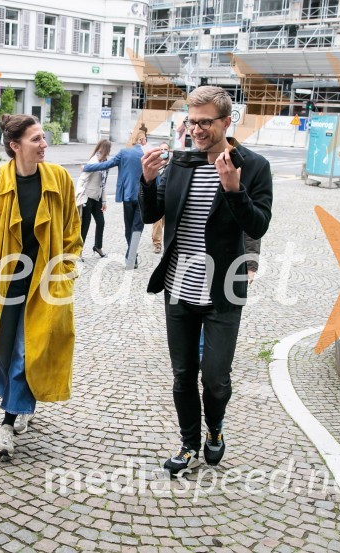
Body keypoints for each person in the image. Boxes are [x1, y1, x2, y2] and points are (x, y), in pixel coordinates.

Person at [139, 86, 273, 476]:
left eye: (204, 123)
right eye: (191, 121)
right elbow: (152, 216)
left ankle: (215, 429)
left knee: (215, 379)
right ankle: (187, 443)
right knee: (183, 374)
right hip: (179, 289)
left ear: (227, 122)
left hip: (224, 290)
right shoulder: (181, 163)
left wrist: (233, 190)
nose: (196, 130)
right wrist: (147, 181)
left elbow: (258, 223)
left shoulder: (253, 166)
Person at [0, 114, 82, 458]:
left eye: (44, 137)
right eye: (36, 139)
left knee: (30, 350)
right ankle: (19, 403)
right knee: (6, 350)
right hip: (4, 285)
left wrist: (67, 267)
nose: (44, 145)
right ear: (15, 146)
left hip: (44, 284)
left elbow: (73, 228)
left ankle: (8, 423)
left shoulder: (58, 178)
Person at [83, 131, 148, 268]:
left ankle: (131, 257)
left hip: (129, 196)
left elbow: (106, 164)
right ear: (142, 140)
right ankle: (132, 257)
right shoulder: (146, 154)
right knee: (137, 229)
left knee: (129, 227)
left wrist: (86, 167)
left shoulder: (124, 152)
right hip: (143, 198)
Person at [75, 139, 112, 258]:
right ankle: (79, 251)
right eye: (106, 150)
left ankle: (97, 246)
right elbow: (82, 179)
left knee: (101, 222)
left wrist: (104, 201)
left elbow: (103, 184)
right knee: (85, 225)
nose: (105, 153)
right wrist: (79, 195)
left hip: (97, 199)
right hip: (87, 198)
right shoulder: (94, 161)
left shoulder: (106, 163)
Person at [150, 142, 171, 254]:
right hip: (157, 198)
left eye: (166, 149)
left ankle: (167, 243)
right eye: (162, 149)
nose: (164, 151)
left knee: (167, 222)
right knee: (157, 221)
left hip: (169, 198)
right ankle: (157, 244)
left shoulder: (172, 165)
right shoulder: (155, 165)